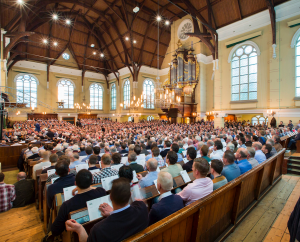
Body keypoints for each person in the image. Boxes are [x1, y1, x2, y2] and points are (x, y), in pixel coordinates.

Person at [65, 178, 149, 242]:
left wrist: (80, 229)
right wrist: (112, 213)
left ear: (110, 197)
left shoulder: (99, 229)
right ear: (130, 195)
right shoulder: (141, 208)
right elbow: (138, 203)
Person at [51, 170, 106, 237]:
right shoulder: (101, 191)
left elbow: (55, 230)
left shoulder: (67, 205)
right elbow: (97, 188)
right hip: (100, 231)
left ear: (75, 183)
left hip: (77, 236)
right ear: (92, 180)